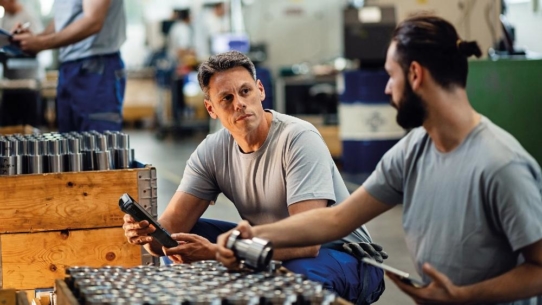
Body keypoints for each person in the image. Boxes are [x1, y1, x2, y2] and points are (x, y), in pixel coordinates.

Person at [216, 15, 542, 305]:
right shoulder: (414, 149)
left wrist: (463, 297)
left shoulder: (501, 165)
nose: (386, 89)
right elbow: (336, 220)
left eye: (391, 75)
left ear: (415, 75)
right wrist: (254, 236)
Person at [122, 51, 386, 304]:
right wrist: (150, 235)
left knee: (294, 276)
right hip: (274, 248)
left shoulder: (298, 139)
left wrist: (218, 253)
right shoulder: (212, 150)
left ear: (260, 90)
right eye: (226, 98)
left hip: (343, 258)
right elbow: (169, 235)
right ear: (210, 108)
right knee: (184, 238)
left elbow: (308, 243)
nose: (239, 103)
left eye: (245, 91)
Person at [12, 0, 126, 132]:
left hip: (96, 68)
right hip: (68, 66)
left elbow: (93, 21)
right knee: (69, 146)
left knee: (99, 146)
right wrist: (35, 38)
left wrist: (41, 43)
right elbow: (64, 17)